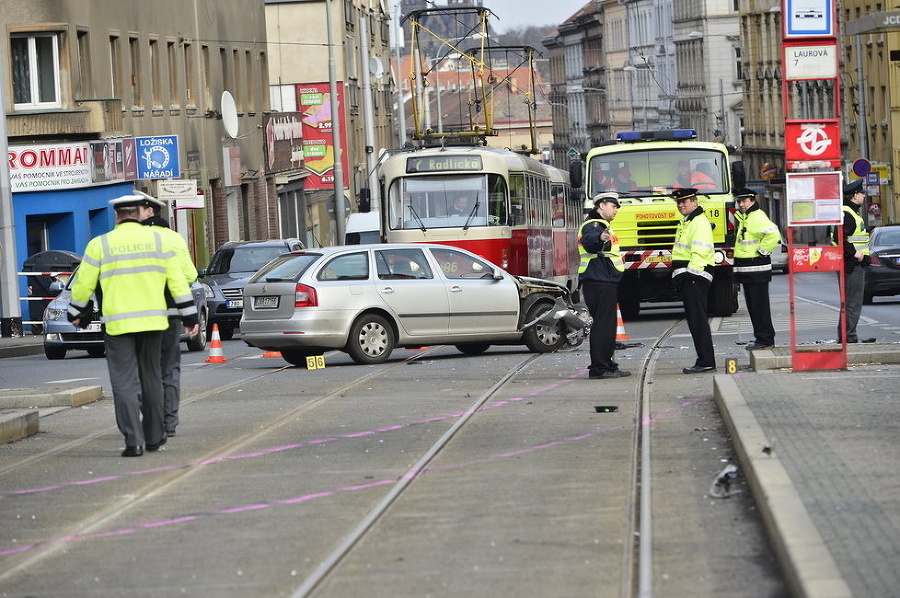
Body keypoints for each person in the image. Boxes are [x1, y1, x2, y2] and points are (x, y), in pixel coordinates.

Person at [68, 194, 199, 457]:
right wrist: (190, 317)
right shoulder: (160, 241)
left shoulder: (99, 245)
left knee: (124, 382)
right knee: (152, 378)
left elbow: (83, 285)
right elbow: (177, 283)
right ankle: (154, 436)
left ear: (116, 216)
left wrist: (78, 313)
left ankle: (134, 440)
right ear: (141, 213)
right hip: (154, 323)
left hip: (118, 327)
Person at [142, 201, 199, 437]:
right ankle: (170, 421)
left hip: (141, 315)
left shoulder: (135, 239)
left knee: (147, 369)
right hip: (172, 312)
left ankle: (151, 420)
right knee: (170, 368)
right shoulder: (174, 239)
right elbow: (190, 275)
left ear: (147, 212)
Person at [579, 192, 630, 379]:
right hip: (598, 281)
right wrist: (599, 238)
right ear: (602, 205)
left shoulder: (604, 225)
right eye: (613, 206)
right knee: (602, 326)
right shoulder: (593, 225)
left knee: (607, 326)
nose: (616, 210)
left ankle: (608, 365)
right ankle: (599, 368)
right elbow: (590, 242)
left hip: (604, 281)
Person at [671, 188, 716, 373]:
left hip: (695, 278)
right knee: (695, 320)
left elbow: (700, 251)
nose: (681, 205)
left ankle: (706, 361)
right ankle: (704, 359)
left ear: (695, 202)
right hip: (690, 278)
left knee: (698, 321)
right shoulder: (688, 221)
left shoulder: (699, 222)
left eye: (685, 201)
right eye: (679, 202)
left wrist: (691, 275)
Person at [733, 188, 781, 350]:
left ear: (752, 200)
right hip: (749, 270)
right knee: (754, 307)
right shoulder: (747, 217)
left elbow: (774, 234)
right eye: (739, 201)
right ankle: (761, 338)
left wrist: (762, 251)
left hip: (756, 270)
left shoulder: (757, 216)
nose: (741, 204)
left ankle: (765, 339)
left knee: (759, 307)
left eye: (744, 201)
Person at [833, 178, 873, 343]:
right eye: (862, 193)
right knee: (853, 303)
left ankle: (847, 335)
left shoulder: (850, 212)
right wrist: (855, 253)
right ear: (855, 195)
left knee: (849, 302)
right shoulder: (847, 214)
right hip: (851, 264)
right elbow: (839, 238)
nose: (864, 195)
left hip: (851, 263)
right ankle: (849, 336)